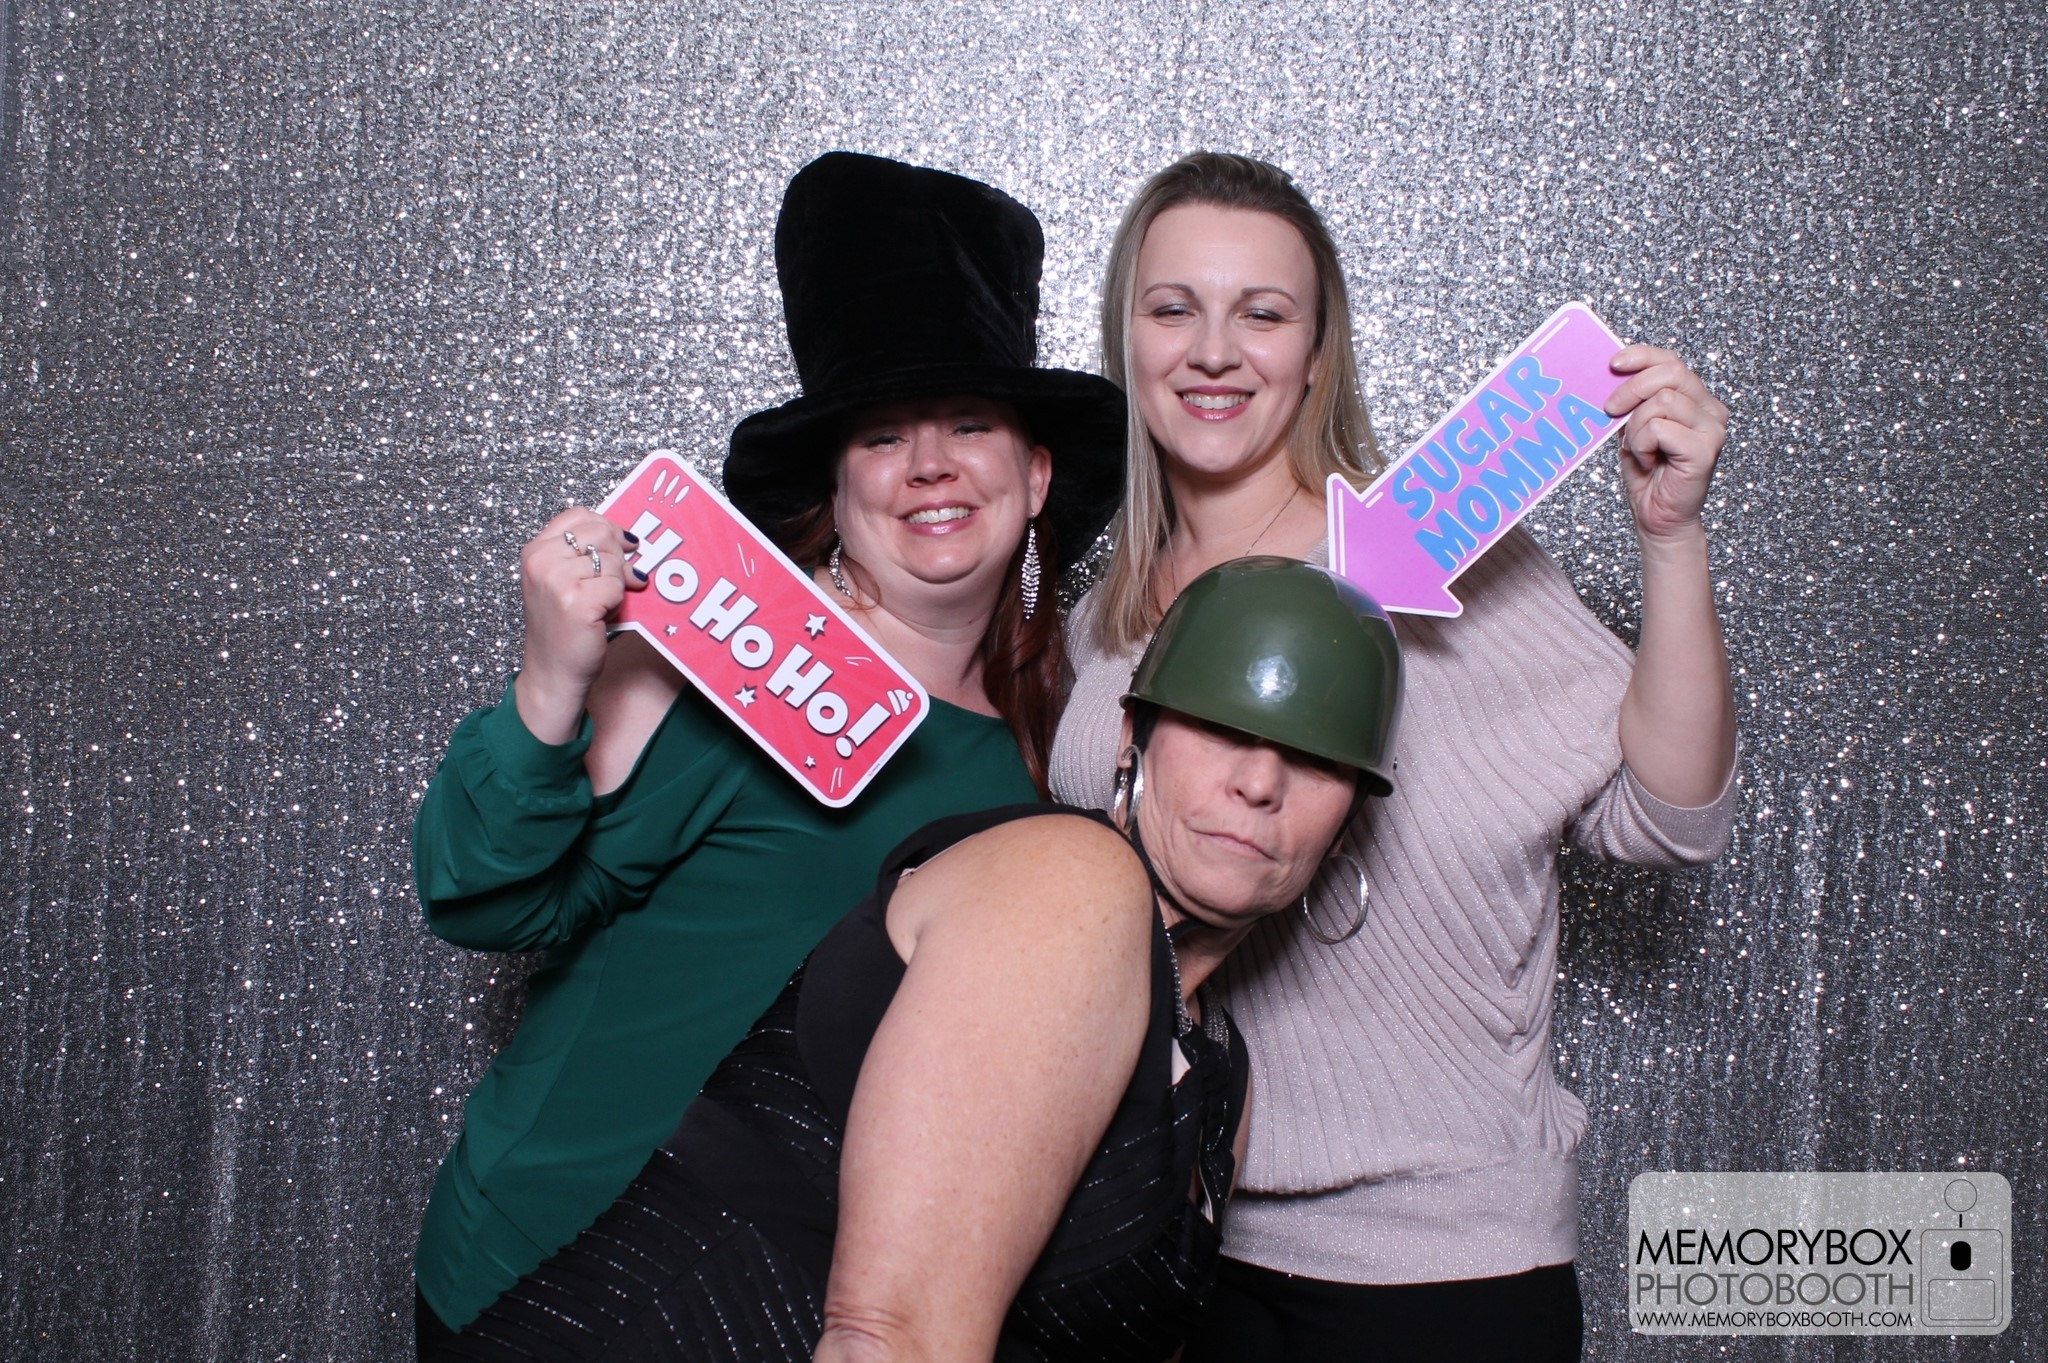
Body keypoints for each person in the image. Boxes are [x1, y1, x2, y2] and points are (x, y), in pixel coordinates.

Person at [410, 152, 1126, 1349]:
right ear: (837, 488)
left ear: (1036, 471)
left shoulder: (1045, 736)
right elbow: (487, 899)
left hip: (768, 1306)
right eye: (883, 435)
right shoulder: (740, 658)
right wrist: (549, 683)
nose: (930, 464)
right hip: (554, 1275)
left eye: (969, 424)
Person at [1050, 152, 1740, 1360]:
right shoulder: (1102, 624)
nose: (1212, 351)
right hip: (1181, 1245)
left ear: (1317, 353)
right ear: (1126, 338)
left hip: (1439, 1268)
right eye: (1172, 308)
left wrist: (1669, 542)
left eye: (1262, 314)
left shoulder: (1431, 558)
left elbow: (1670, 817)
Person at [435, 557, 1406, 1362]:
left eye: (1315, 758)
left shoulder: (1222, 1081)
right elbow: (884, 1341)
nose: (1259, 782)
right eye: (1222, 727)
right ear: (1130, 740)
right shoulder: (1066, 884)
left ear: (1347, 819)